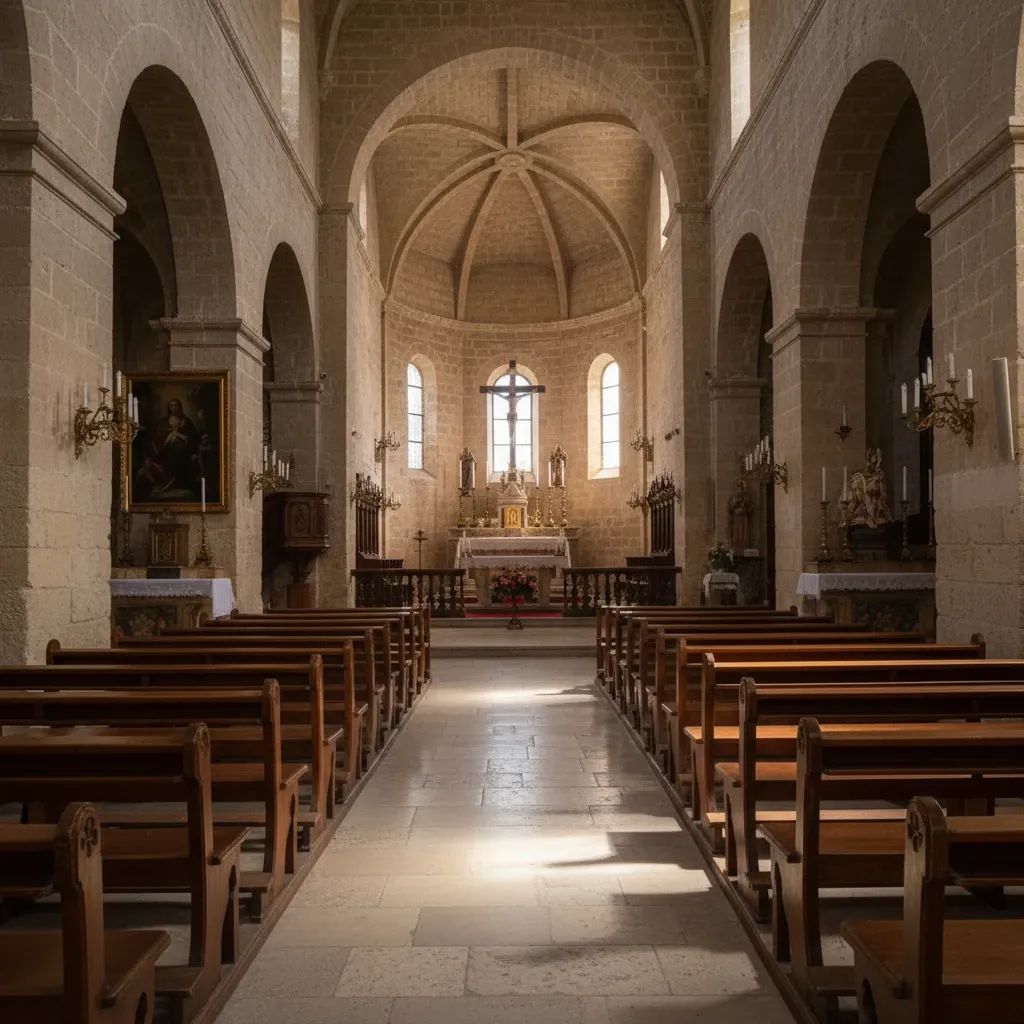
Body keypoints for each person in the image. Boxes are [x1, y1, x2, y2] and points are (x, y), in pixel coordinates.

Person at [727, 478, 754, 551]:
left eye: (741, 487)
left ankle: (745, 545)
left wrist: (744, 504)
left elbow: (750, 507)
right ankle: (736, 545)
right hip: (736, 517)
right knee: (737, 532)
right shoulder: (733, 497)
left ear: (743, 487)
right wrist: (736, 503)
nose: (739, 489)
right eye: (738, 487)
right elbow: (730, 507)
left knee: (744, 533)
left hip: (744, 518)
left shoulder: (747, 496)